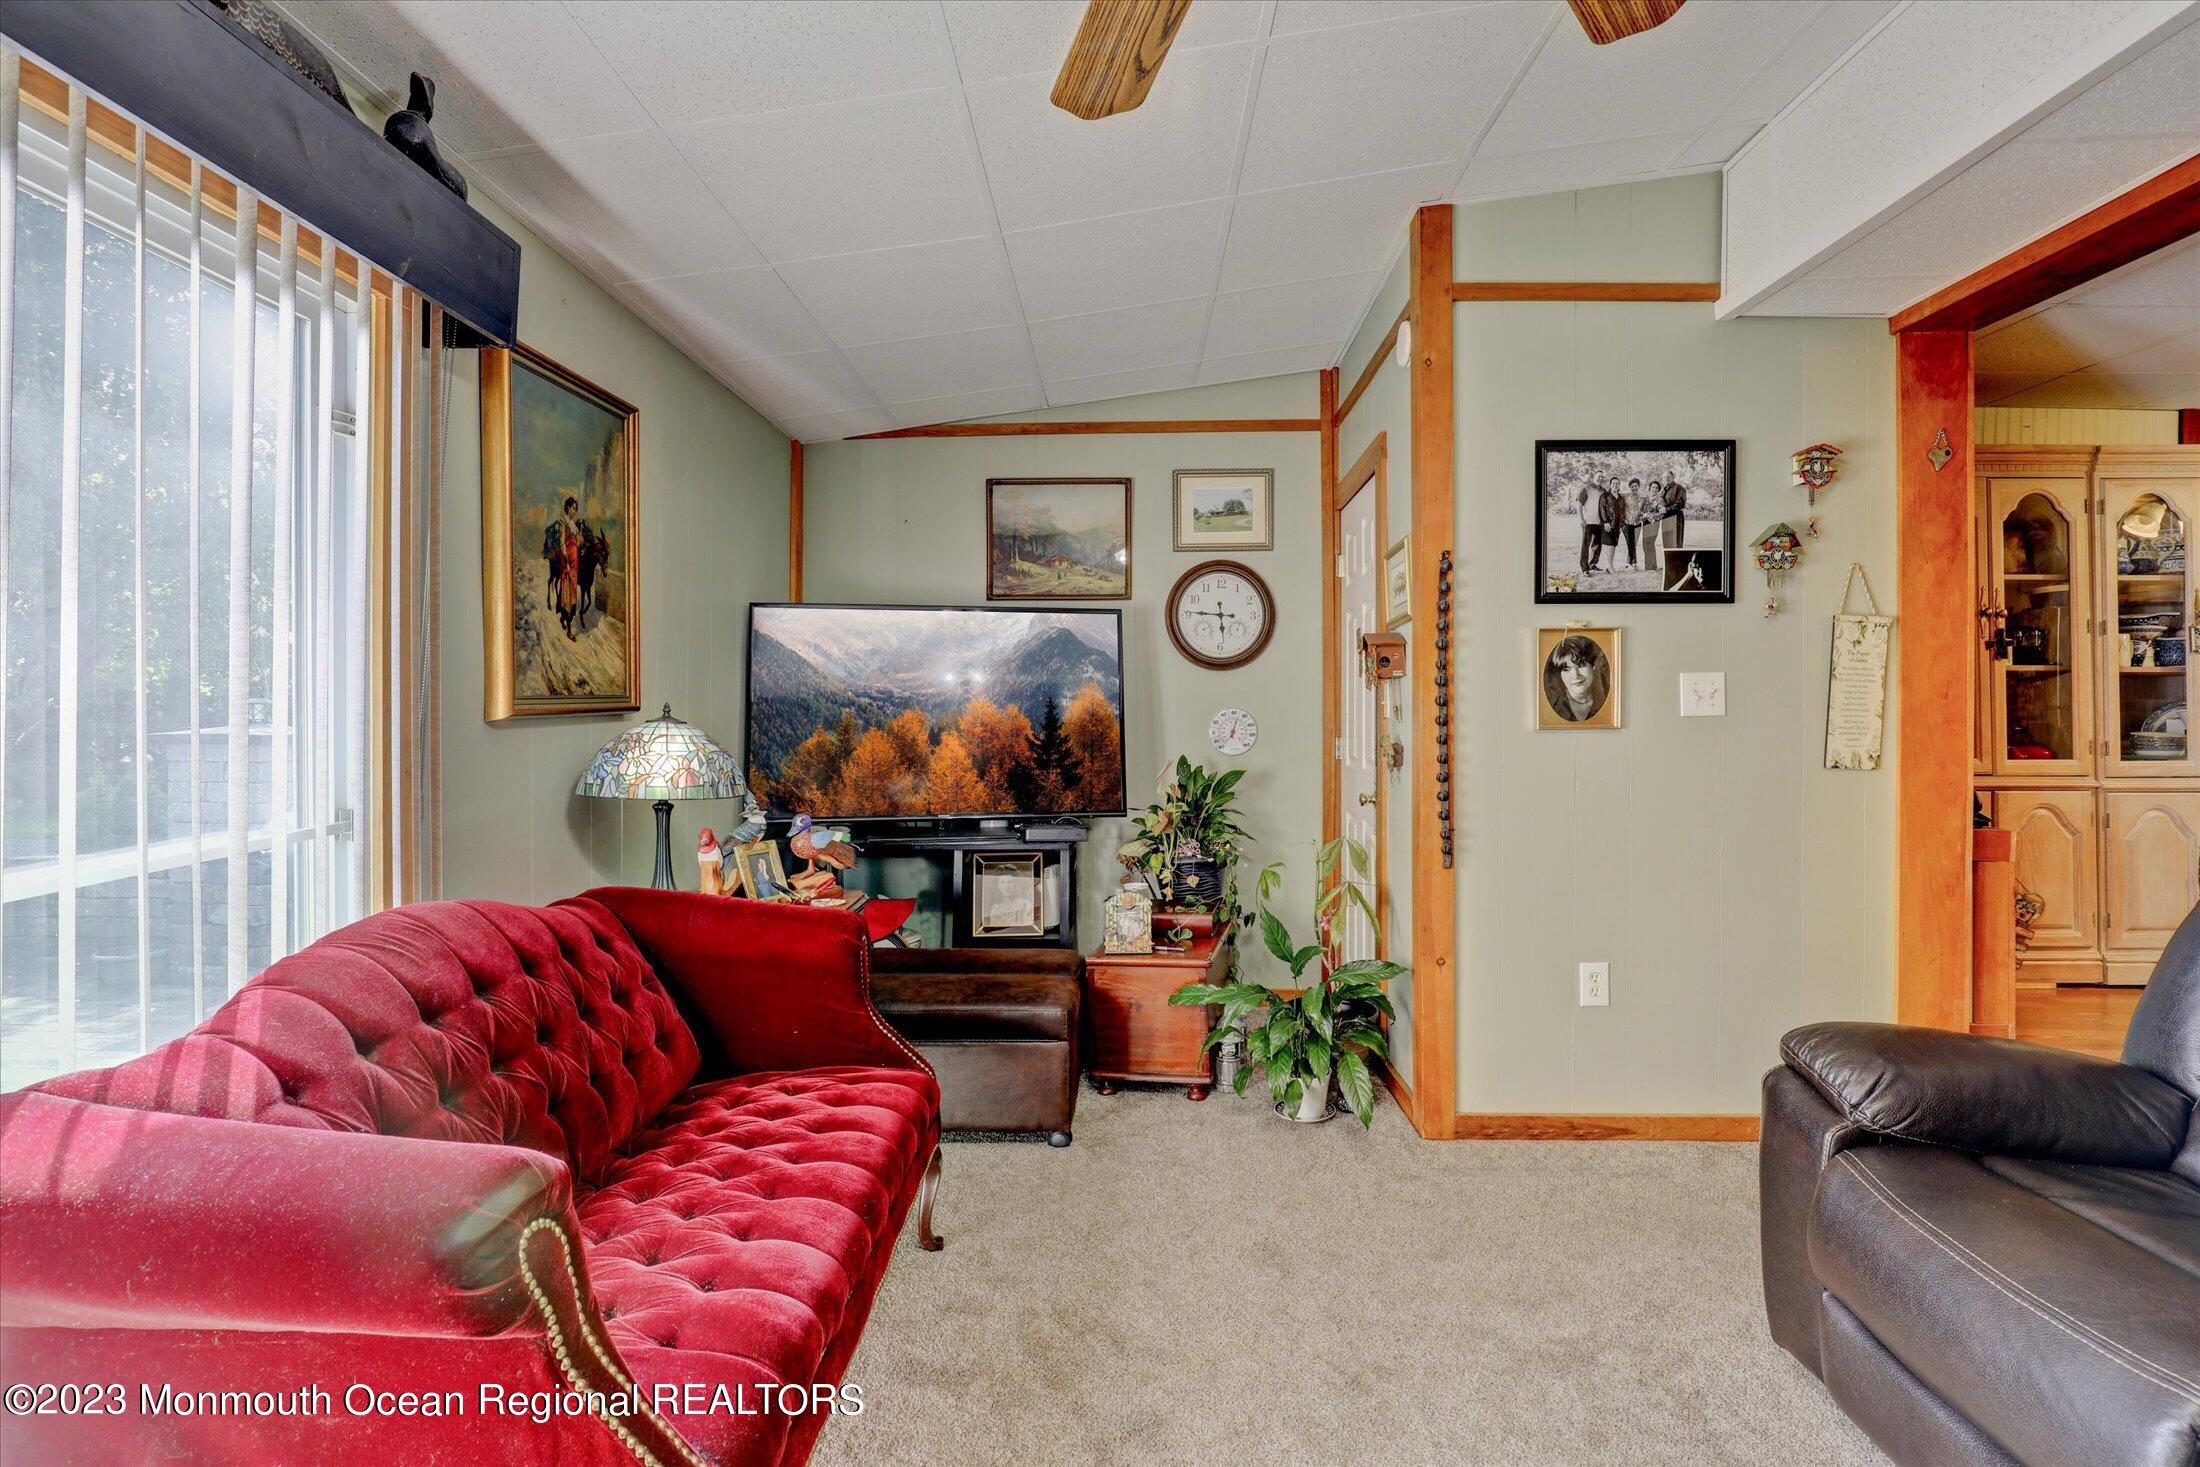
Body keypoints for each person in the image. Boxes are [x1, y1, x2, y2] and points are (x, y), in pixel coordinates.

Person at [543, 495, 583, 640]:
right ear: (567, 508)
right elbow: (561, 543)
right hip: (567, 564)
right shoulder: (562, 522)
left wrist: (578, 540)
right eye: (573, 508)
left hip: (575, 564)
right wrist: (565, 559)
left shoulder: (573, 524)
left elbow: (578, 542)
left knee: (573, 596)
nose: (575, 511)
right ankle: (569, 631)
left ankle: (564, 619)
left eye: (576, 509)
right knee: (567, 595)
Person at [1543, 635, 1609, 723]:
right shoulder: (1553, 706)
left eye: (1581, 665)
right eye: (1566, 669)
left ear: (1594, 667)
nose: (1575, 676)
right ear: (1560, 674)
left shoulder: (1607, 702)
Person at [1576, 475, 1605, 573]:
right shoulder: (1586, 488)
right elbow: (1579, 504)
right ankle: (1584, 568)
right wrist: (1581, 519)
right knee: (1585, 546)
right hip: (1587, 522)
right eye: (1599, 476)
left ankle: (1592, 564)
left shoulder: (1603, 490)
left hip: (1599, 522)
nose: (1600, 478)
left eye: (1602, 477)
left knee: (1597, 545)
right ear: (1594, 477)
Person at [1598, 479, 1627, 570]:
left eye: (1617, 484)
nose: (1615, 485)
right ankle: (1610, 566)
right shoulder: (1605, 496)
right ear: (1610, 485)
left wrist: (1622, 525)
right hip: (1608, 524)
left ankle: (1609, 566)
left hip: (1617, 525)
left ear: (1619, 485)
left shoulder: (1621, 498)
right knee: (1609, 544)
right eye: (1613, 483)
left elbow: (1622, 512)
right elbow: (1601, 509)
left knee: (1613, 545)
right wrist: (1605, 522)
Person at [1661, 476, 1687, 554]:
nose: (1666, 478)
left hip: (1676, 517)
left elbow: (1680, 504)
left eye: (1668, 477)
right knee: (1666, 542)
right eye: (1664, 477)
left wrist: (1666, 509)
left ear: (1673, 477)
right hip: (1665, 518)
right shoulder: (1665, 489)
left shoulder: (1679, 488)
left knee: (1676, 541)